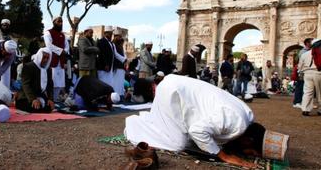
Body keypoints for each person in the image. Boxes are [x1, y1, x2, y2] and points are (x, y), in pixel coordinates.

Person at [124, 74, 267, 168]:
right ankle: (135, 124)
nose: (249, 154)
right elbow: (197, 131)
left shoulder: (248, 116)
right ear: (248, 140)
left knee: (189, 137)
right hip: (172, 92)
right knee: (178, 143)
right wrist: (224, 156)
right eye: (252, 152)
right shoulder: (235, 123)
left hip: (176, 84)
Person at [16, 48, 55, 113]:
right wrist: (33, 99)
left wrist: (50, 99)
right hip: (26, 96)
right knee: (34, 108)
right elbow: (26, 85)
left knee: (48, 108)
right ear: (39, 56)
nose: (45, 60)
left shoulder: (48, 69)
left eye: (47, 58)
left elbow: (50, 85)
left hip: (40, 96)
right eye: (44, 57)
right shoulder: (28, 67)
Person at [44, 16, 69, 102]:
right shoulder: (48, 33)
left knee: (60, 82)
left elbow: (67, 47)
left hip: (61, 62)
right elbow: (49, 45)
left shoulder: (63, 35)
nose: (60, 23)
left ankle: (55, 99)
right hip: (52, 61)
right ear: (54, 22)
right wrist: (60, 51)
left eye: (61, 21)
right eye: (58, 21)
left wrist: (64, 51)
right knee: (52, 81)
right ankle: (50, 99)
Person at [298, 38, 321, 116]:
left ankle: (305, 109)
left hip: (307, 74)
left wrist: (300, 72)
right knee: (319, 93)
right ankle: (320, 109)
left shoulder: (305, 54)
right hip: (318, 73)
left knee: (307, 92)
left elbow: (300, 66)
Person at [293, 38, 313, 108]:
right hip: (302, 71)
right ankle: (297, 102)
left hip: (307, 71)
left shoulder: (308, 51)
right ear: (307, 43)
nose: (312, 43)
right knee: (300, 87)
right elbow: (301, 63)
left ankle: (305, 103)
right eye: (311, 42)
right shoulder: (303, 52)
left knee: (307, 88)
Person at [112, 29, 127, 99]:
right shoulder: (113, 44)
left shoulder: (120, 45)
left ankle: (120, 96)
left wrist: (125, 60)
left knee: (120, 83)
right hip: (116, 65)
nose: (120, 38)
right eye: (119, 37)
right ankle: (115, 97)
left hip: (121, 66)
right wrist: (123, 59)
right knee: (116, 83)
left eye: (121, 37)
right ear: (115, 36)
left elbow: (124, 54)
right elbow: (115, 54)